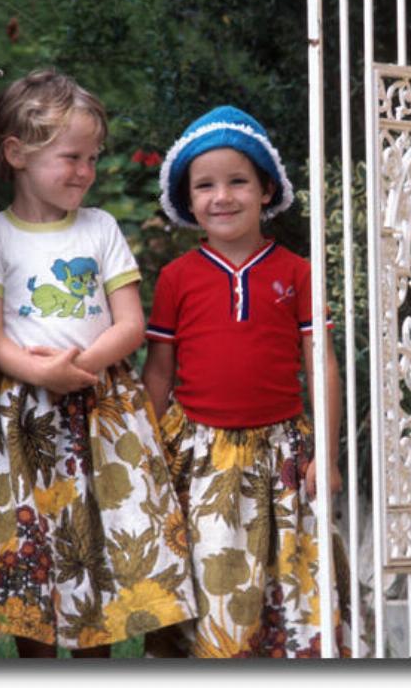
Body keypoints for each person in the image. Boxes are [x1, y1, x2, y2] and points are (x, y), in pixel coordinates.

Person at [0, 69, 195, 658]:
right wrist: (40, 374)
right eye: (71, 156)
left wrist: (82, 367)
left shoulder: (99, 228)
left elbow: (130, 324)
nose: (85, 171)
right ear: (17, 153)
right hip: (28, 417)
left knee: (96, 548)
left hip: (101, 409)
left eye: (93, 158)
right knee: (37, 546)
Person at [141, 105, 351, 658]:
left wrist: (324, 456)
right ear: (188, 201)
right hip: (201, 455)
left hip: (282, 453)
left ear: (266, 190)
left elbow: (321, 363)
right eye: (205, 185)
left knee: (293, 585)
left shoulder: (298, 273)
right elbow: (159, 371)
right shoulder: (176, 279)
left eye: (238, 181)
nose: (222, 196)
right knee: (214, 582)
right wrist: (147, 450)